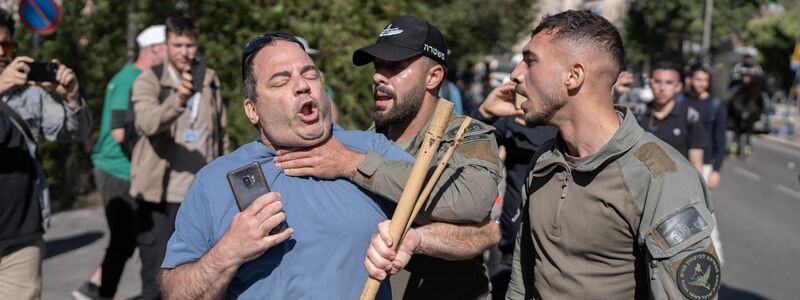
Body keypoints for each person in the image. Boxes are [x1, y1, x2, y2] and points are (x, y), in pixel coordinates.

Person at [477, 10, 720, 299]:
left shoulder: (660, 178)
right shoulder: (545, 160)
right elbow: (522, 278)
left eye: (530, 61)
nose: (516, 74)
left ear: (574, 75)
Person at [160, 33, 414, 299]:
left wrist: (352, 163)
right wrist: (228, 253)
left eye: (310, 74)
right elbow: (175, 293)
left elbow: (453, 209)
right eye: (281, 81)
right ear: (252, 110)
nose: (302, 85)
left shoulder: (372, 148)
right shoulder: (214, 181)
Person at [274, 16, 502, 299]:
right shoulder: (365, 140)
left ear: (433, 77)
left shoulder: (466, 135)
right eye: (378, 66)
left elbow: (469, 202)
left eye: (394, 66)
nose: (378, 76)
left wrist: (353, 164)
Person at [128, 16, 228, 299]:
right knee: (156, 276)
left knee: (200, 275)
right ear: (167, 45)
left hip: (201, 194)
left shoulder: (209, 79)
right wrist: (179, 100)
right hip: (160, 195)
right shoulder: (149, 79)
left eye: (190, 44)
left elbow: (221, 133)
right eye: (178, 45)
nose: (185, 51)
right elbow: (147, 122)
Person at [0, 8, 91, 300]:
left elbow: (75, 132)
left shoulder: (29, 95)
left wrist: (73, 97)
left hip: (20, 239)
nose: (2, 53)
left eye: (6, 45)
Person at [72, 25, 167, 300]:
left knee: (129, 238)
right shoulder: (132, 79)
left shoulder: (130, 76)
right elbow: (119, 131)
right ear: (154, 48)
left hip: (119, 167)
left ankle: (94, 289)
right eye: (168, 48)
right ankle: (96, 292)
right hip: (118, 168)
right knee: (129, 238)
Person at [683, 64, 727, 266]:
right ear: (689, 79)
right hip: (681, 163)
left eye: (705, 80)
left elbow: (720, 139)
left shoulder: (715, 105)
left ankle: (714, 257)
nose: (701, 84)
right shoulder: (680, 102)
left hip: (706, 165)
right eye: (698, 79)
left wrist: (716, 170)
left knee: (706, 212)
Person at [637, 61, 707, 173]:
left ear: (678, 87)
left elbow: (696, 164)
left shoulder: (690, 117)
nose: (662, 88)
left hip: (678, 186)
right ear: (650, 83)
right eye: (657, 81)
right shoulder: (638, 114)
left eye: (669, 82)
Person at [728, 54, 765, 157]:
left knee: (762, 99)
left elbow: (762, 78)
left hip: (753, 92)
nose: (749, 60)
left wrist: (752, 80)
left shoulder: (757, 67)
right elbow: (733, 78)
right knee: (730, 98)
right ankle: (735, 142)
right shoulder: (738, 66)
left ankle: (760, 114)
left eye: (750, 58)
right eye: (747, 58)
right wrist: (742, 79)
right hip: (740, 90)